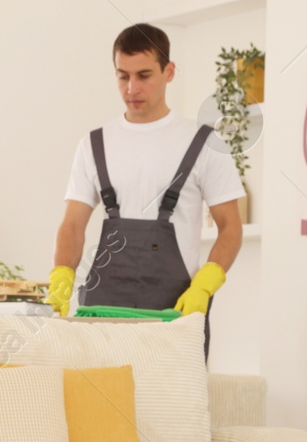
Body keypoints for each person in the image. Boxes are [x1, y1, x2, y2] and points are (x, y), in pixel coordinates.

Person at [45, 23, 244, 350]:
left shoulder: (204, 143)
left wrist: (204, 287)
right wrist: (61, 275)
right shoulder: (94, 144)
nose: (131, 88)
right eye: (122, 76)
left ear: (169, 72)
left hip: (176, 313)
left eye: (144, 75)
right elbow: (72, 223)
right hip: (102, 317)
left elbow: (231, 227)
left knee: (175, 402)